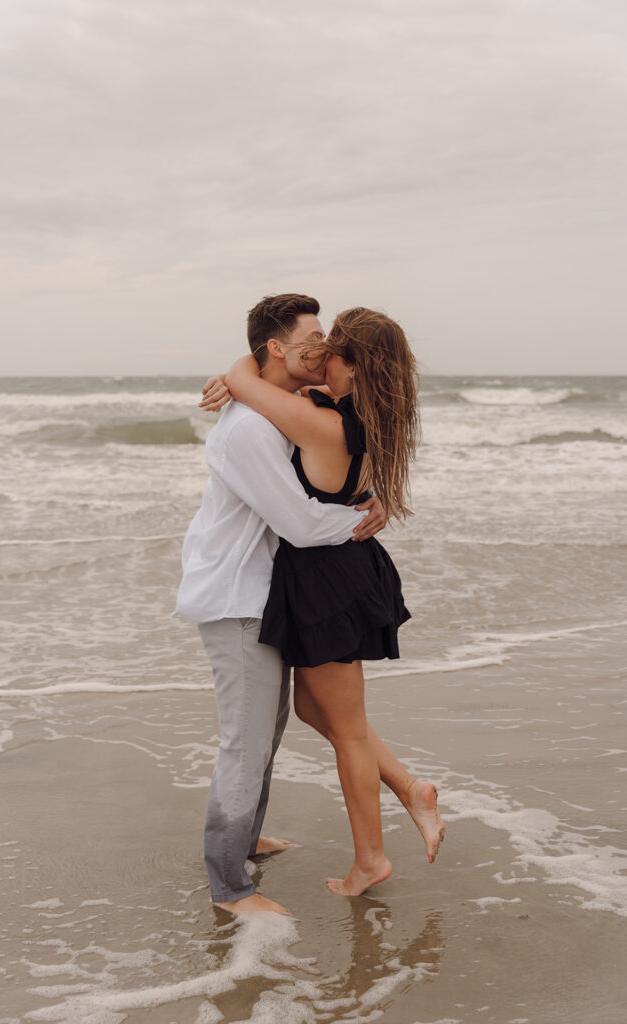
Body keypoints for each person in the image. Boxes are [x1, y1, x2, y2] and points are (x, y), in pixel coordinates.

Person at [200, 306, 445, 896]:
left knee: (349, 729)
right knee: (319, 712)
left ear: (351, 364)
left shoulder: (320, 421)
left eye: (329, 347)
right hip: (343, 574)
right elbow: (268, 383)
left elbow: (247, 382)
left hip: (326, 577)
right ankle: (409, 789)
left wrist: (238, 368)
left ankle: (372, 858)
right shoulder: (359, 413)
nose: (319, 354)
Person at [174, 294, 387, 916]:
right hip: (235, 596)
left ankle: (243, 839)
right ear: (275, 347)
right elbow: (297, 521)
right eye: (312, 337)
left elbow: (309, 475)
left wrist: (367, 496)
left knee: (267, 728)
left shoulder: (278, 409)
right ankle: (229, 887)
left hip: (263, 593)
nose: (322, 348)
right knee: (245, 740)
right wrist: (361, 520)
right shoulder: (247, 429)